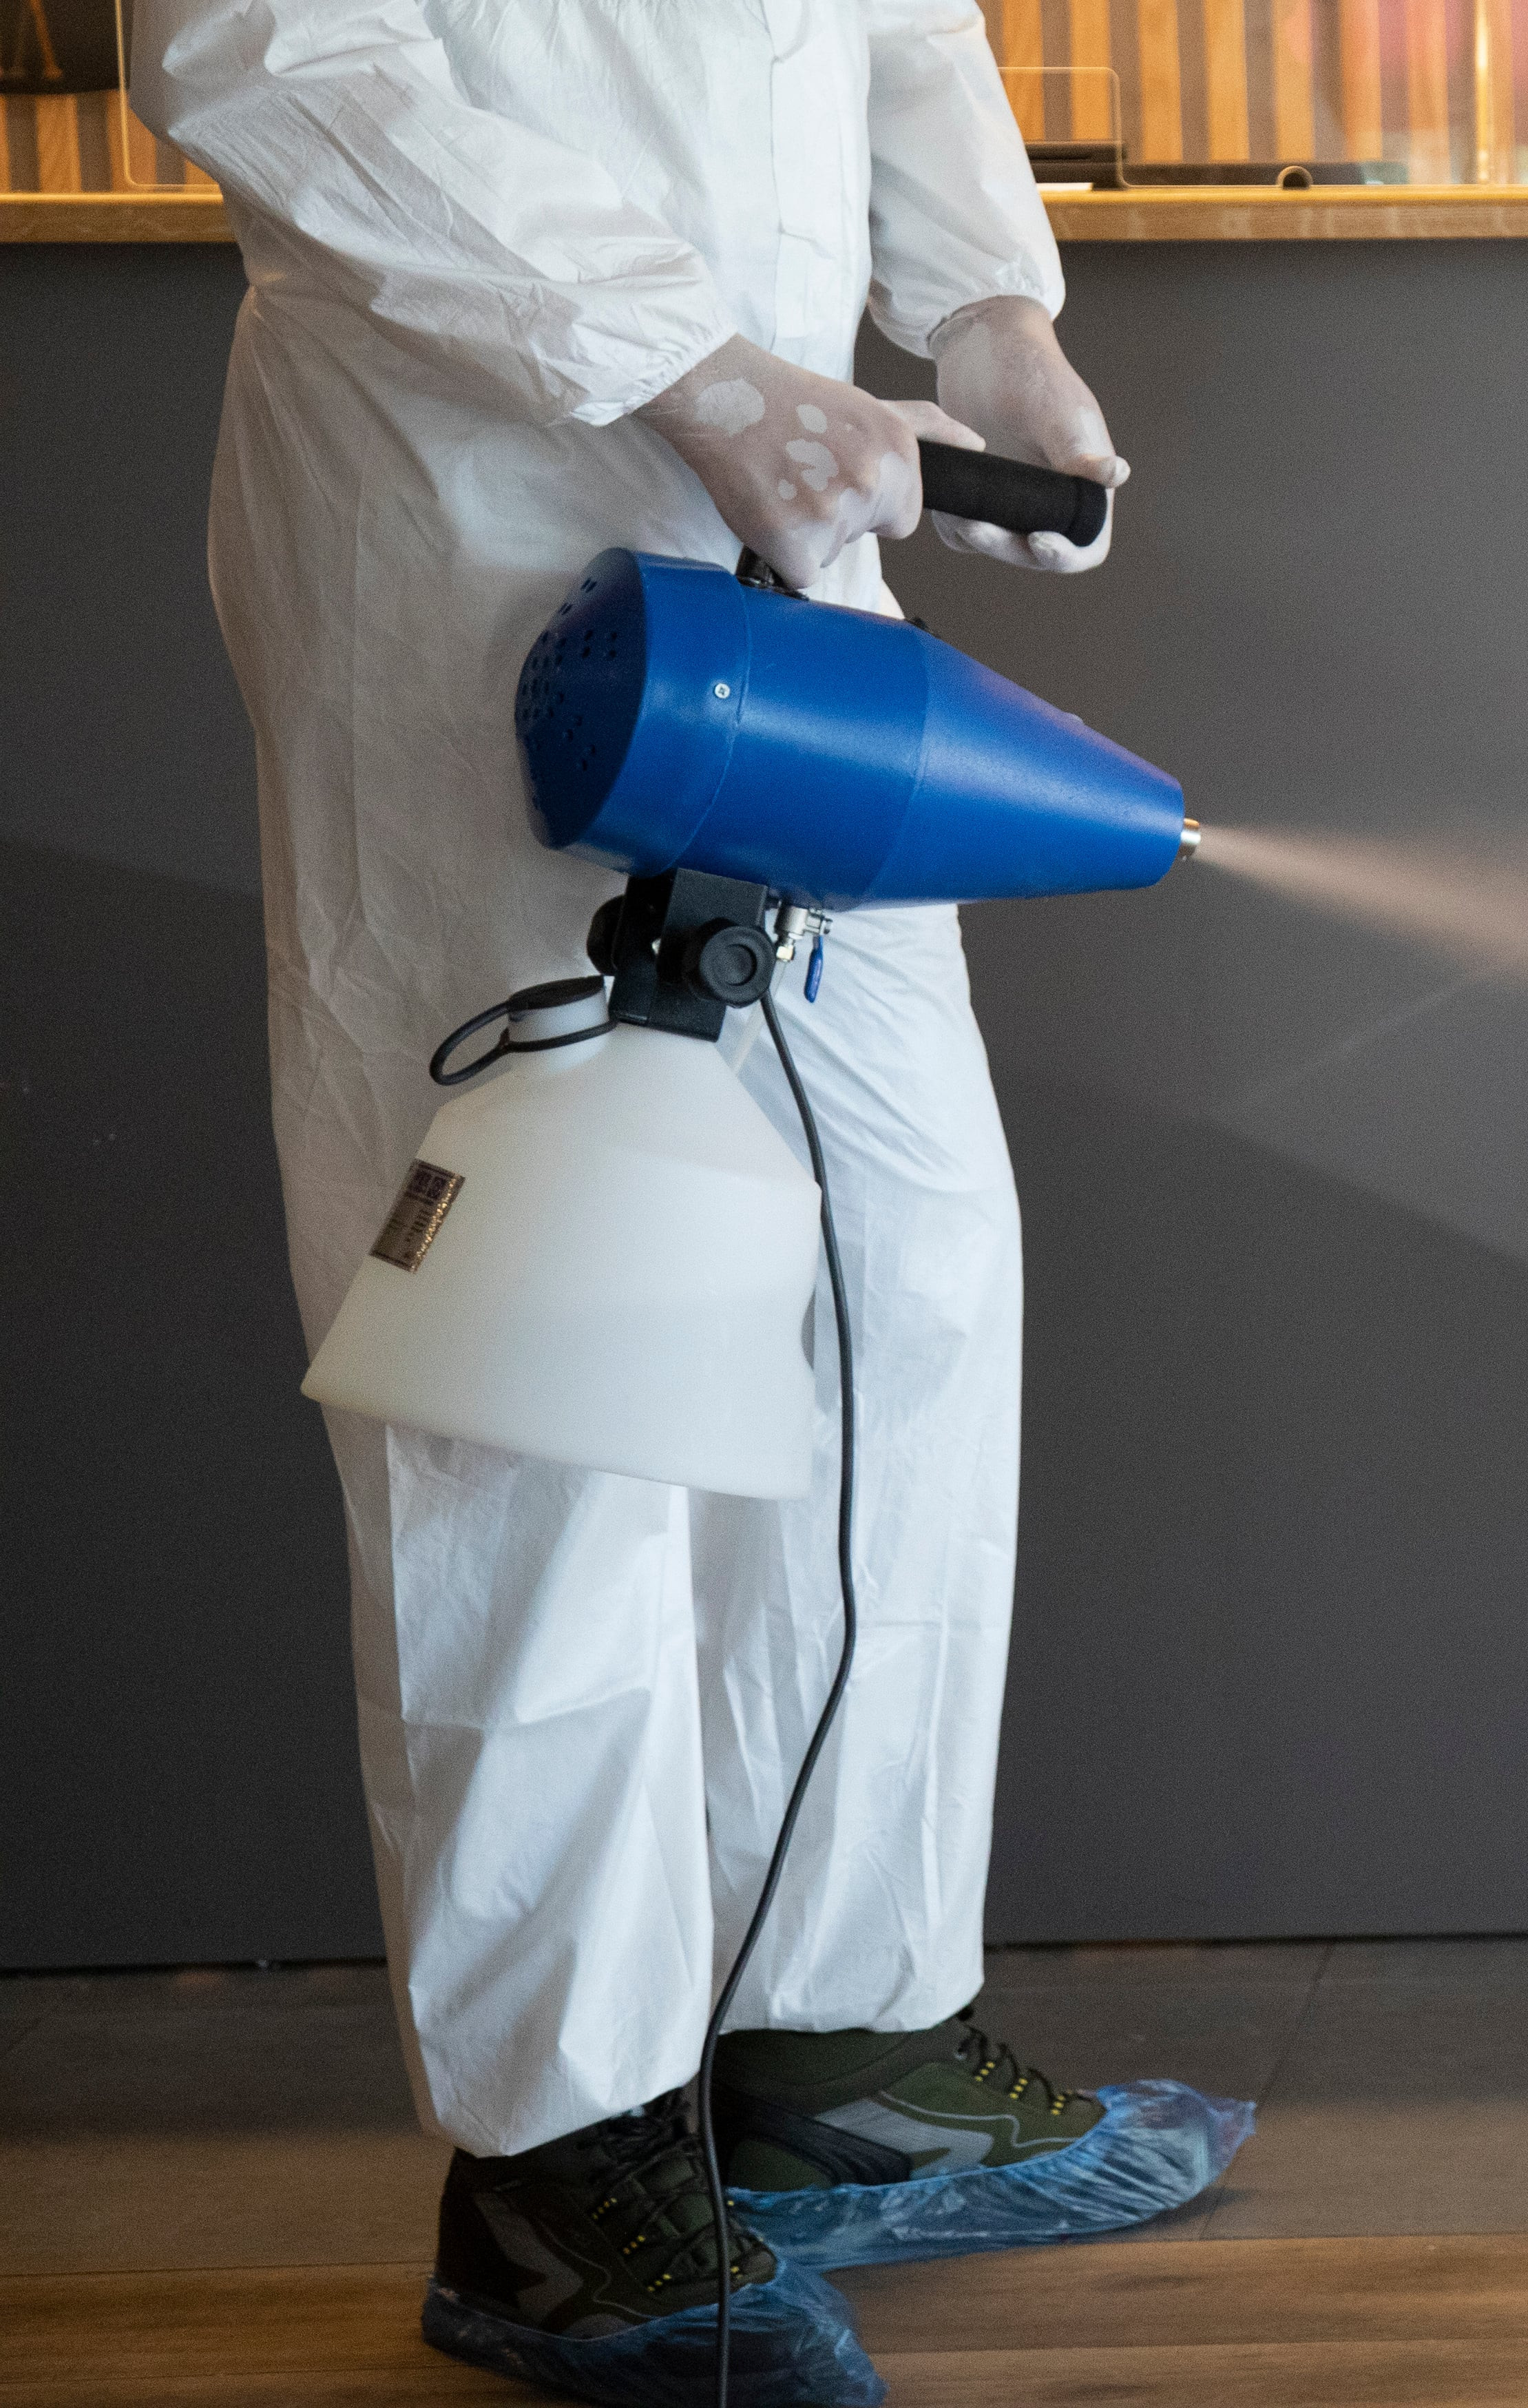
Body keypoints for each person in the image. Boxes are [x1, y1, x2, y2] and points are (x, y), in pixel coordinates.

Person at [130, 3, 1242, 2399]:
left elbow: (895, 24)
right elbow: (260, 53)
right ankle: (560, 2161)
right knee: (548, 1363)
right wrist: (685, 362)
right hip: (477, 532)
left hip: (785, 543)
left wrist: (986, 304)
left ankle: (836, 2042)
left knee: (897, 1279)